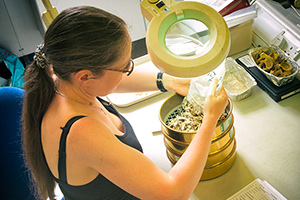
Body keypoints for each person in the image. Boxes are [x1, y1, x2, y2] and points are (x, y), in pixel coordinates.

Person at [22, 6, 228, 200]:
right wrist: (210, 119)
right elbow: (172, 194)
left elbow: (110, 80)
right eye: (124, 67)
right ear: (85, 76)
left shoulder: (59, 73)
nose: (128, 70)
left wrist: (170, 81)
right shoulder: (82, 133)